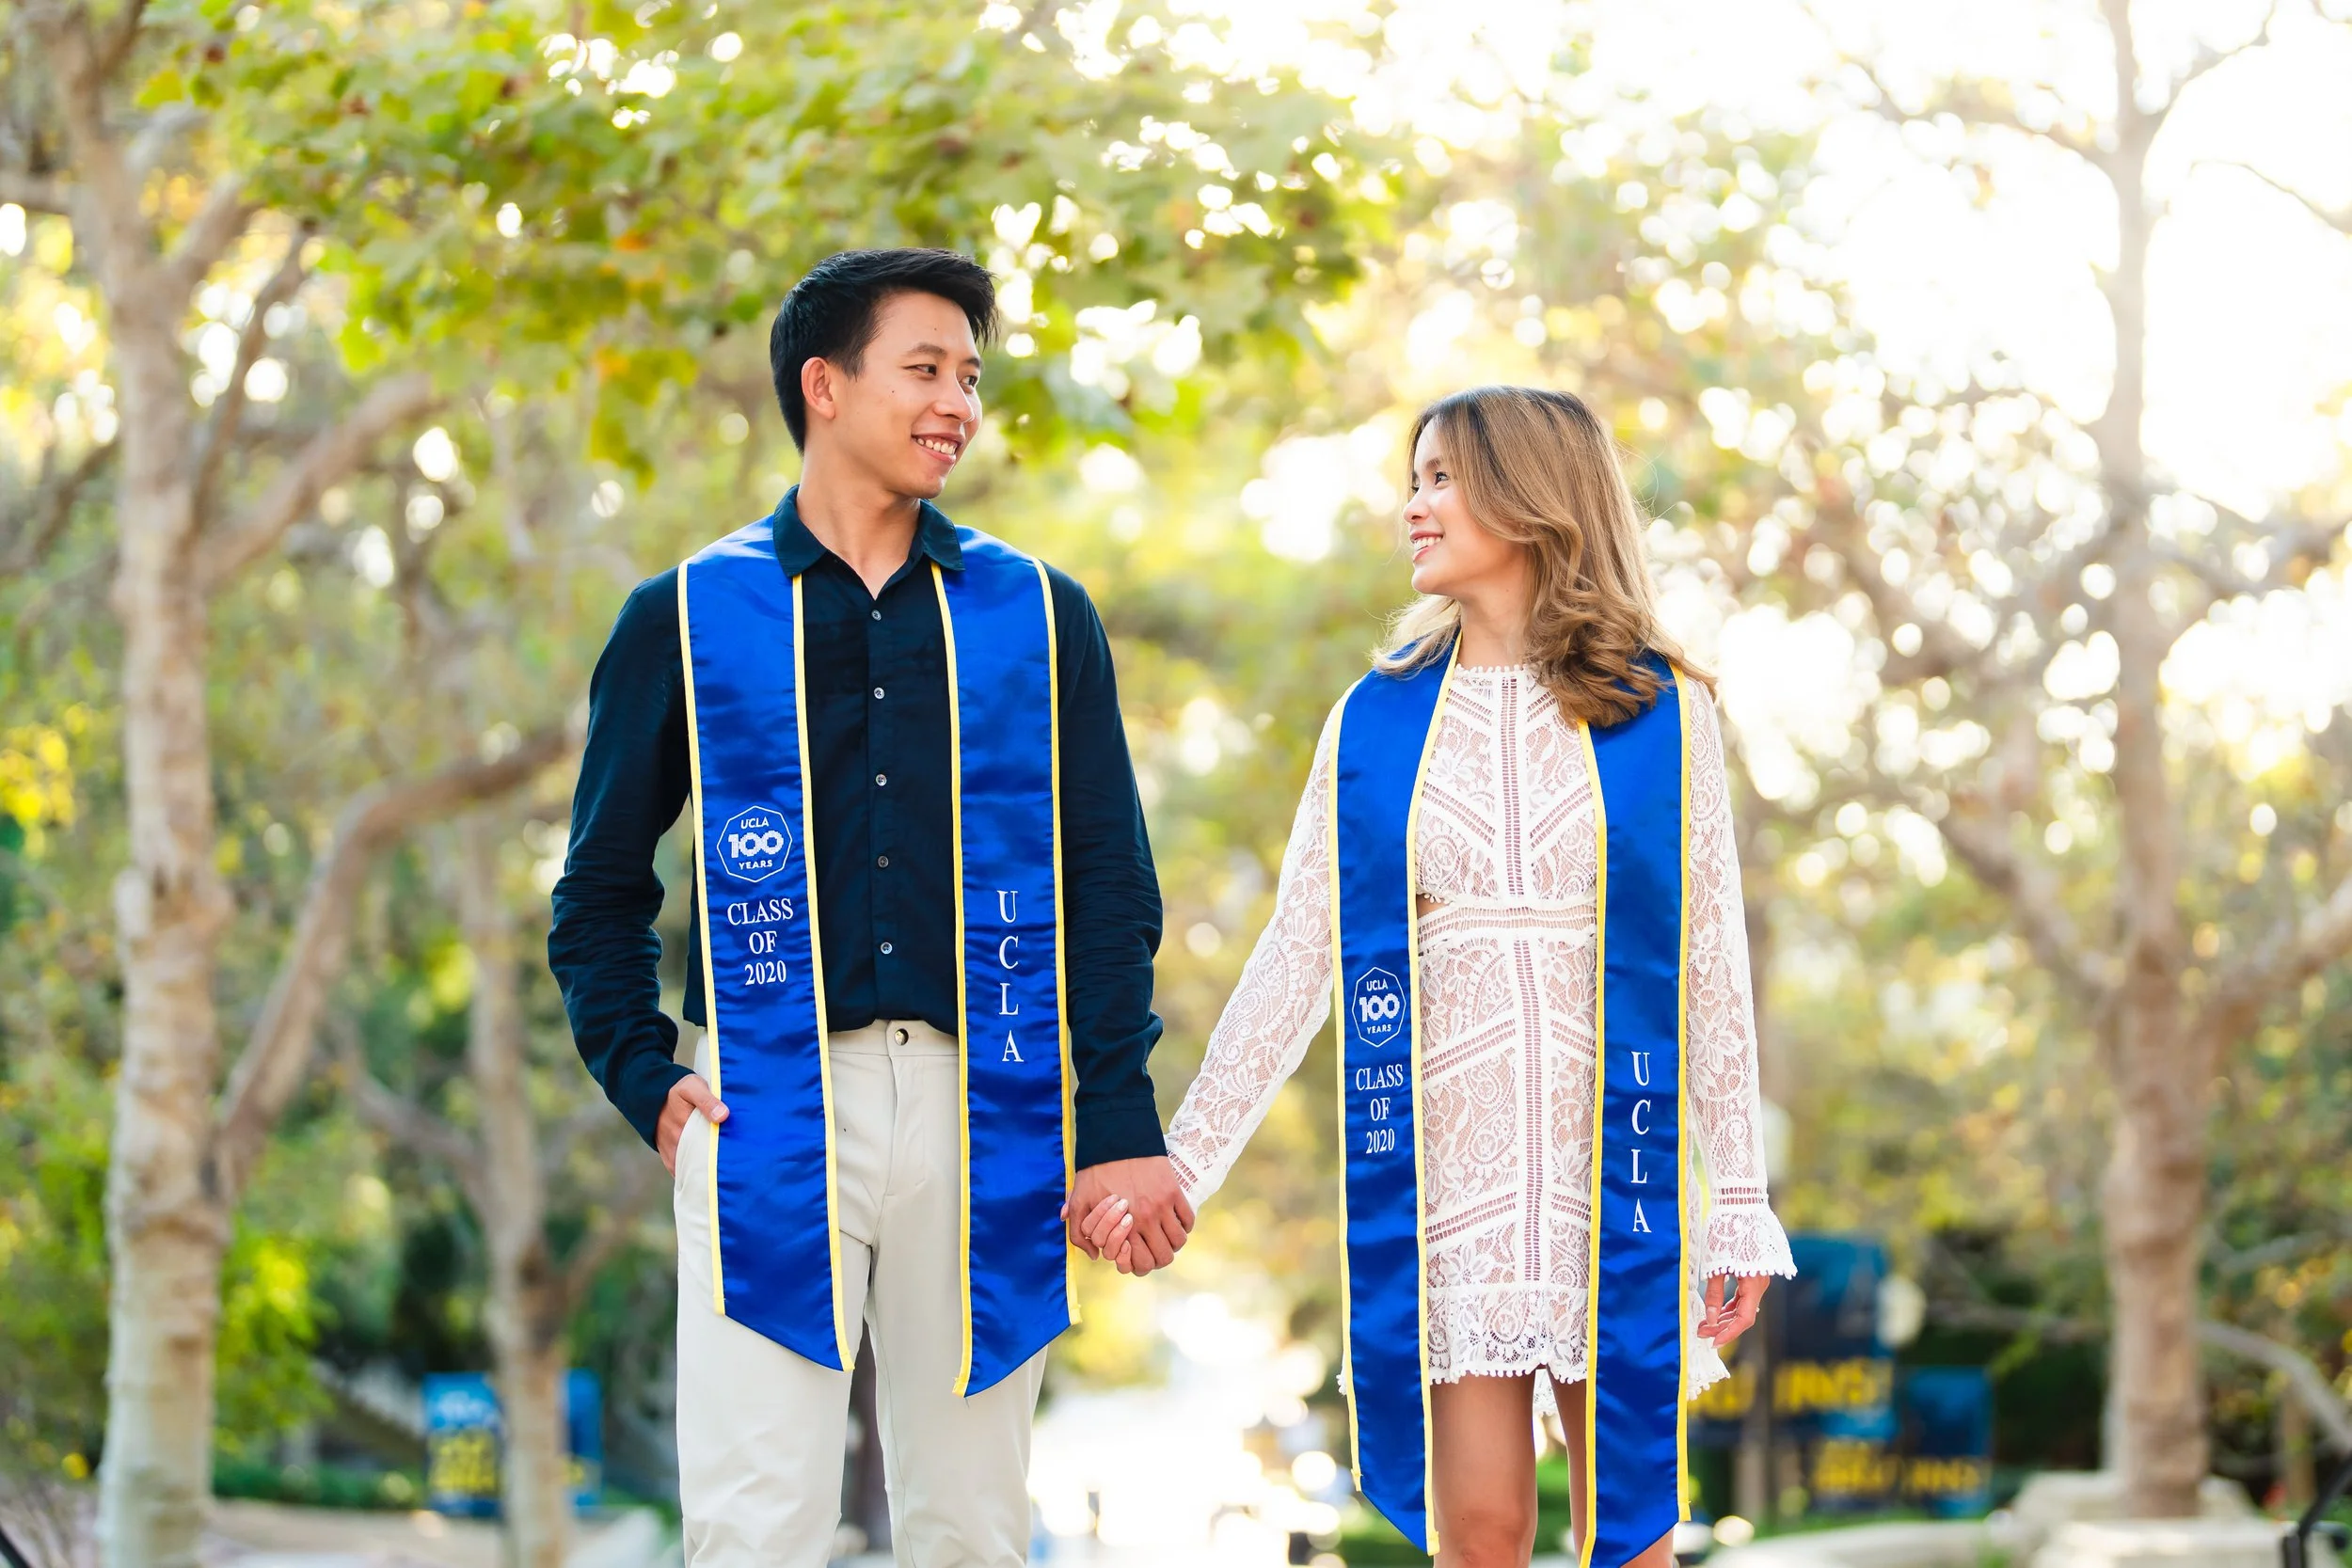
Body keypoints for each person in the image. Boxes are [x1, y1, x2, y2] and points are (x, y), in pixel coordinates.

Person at [549, 247, 1192, 1566]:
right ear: (825, 385)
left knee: (971, 1527)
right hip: (767, 1104)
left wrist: (1118, 1115)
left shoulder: (1038, 614)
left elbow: (1109, 880)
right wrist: (640, 1068)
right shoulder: (687, 614)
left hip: (990, 1104)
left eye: (971, 376)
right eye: (926, 368)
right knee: (753, 1525)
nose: (958, 402)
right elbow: (601, 884)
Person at [1082, 386, 1795, 1567]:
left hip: (1611, 1165)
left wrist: (1738, 1197)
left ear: (1530, 496)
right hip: (1452, 1179)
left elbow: (1709, 964)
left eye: (1441, 479)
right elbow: (1295, 959)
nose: (1412, 506)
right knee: (1479, 1534)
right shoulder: (1375, 721)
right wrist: (1186, 1162)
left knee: (1633, 1540)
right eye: (1412, 480)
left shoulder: (1661, 713)